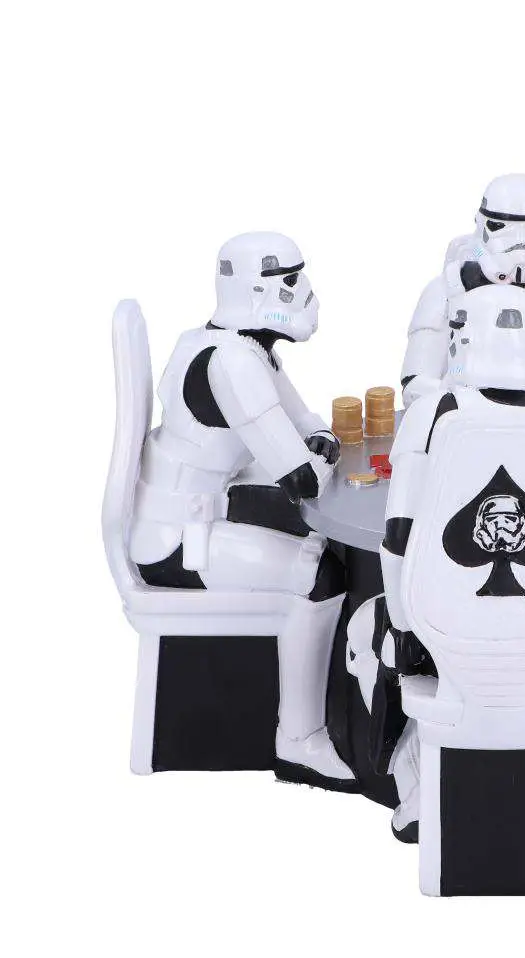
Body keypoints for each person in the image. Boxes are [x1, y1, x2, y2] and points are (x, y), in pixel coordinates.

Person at [356, 284, 525, 841]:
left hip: (441, 630)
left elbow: (398, 538)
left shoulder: (429, 416)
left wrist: (404, 628)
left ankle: (416, 788)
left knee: (368, 627)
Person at [129, 231, 355, 787]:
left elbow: (311, 429)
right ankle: (299, 739)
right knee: (320, 575)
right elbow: (303, 477)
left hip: (204, 514)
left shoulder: (242, 347)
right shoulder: (233, 362)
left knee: (322, 541)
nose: (304, 292)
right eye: (290, 281)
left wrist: (316, 450)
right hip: (179, 541)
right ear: (258, 291)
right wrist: (317, 456)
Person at [400, 174, 525, 406]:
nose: (520, 242)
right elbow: (415, 386)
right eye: (499, 227)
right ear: (482, 226)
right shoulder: (449, 288)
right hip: (461, 413)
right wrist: (454, 394)